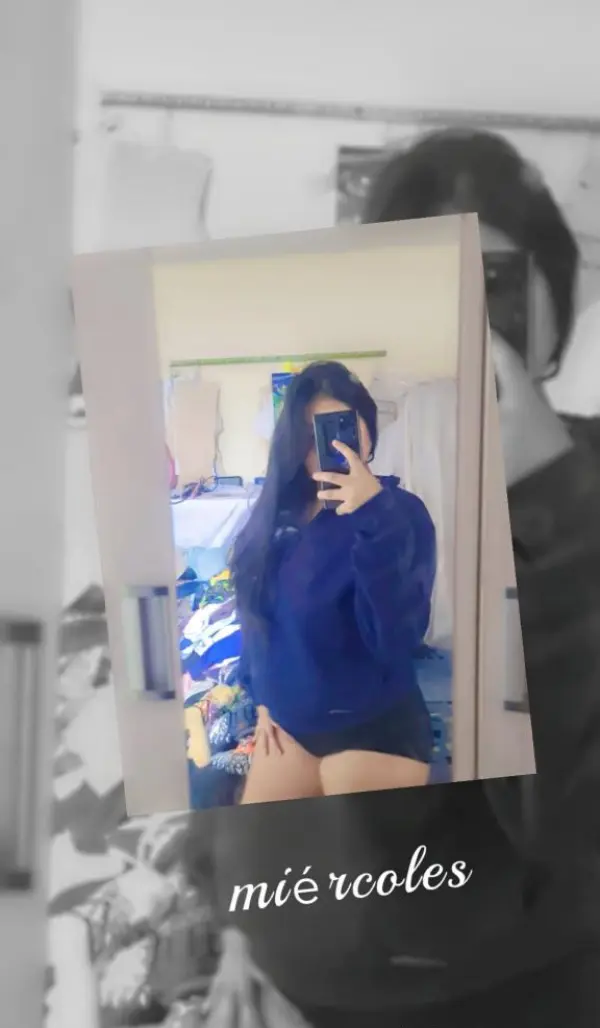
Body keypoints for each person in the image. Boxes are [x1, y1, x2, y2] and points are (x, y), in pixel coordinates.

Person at [182, 130, 600, 1028]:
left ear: (558, 308)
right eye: (429, 287)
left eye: (495, 286)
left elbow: (578, 816)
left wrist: (545, 502)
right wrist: (230, 918)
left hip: (507, 989)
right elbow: (231, 718)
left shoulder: (579, 489)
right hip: (294, 977)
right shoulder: (303, 477)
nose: (465, 322)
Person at [230, 360, 437, 804]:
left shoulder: (400, 514)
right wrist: (261, 697)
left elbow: (396, 636)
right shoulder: (277, 517)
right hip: (288, 730)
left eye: (343, 426)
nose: (330, 444)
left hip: (374, 729)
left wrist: (373, 517)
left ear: (368, 430)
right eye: (314, 433)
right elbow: (256, 618)